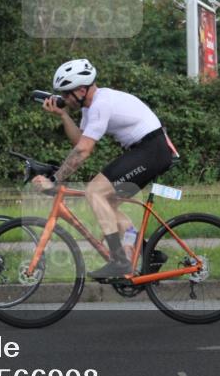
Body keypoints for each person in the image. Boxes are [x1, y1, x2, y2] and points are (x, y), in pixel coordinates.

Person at [31, 59, 177, 279]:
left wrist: (55, 179)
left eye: (66, 94)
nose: (64, 99)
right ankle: (147, 253)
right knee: (107, 203)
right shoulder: (90, 107)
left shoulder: (101, 104)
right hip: (147, 149)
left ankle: (119, 260)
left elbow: (83, 151)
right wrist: (63, 115)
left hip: (151, 149)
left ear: (82, 90)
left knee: (94, 191)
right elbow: (80, 140)